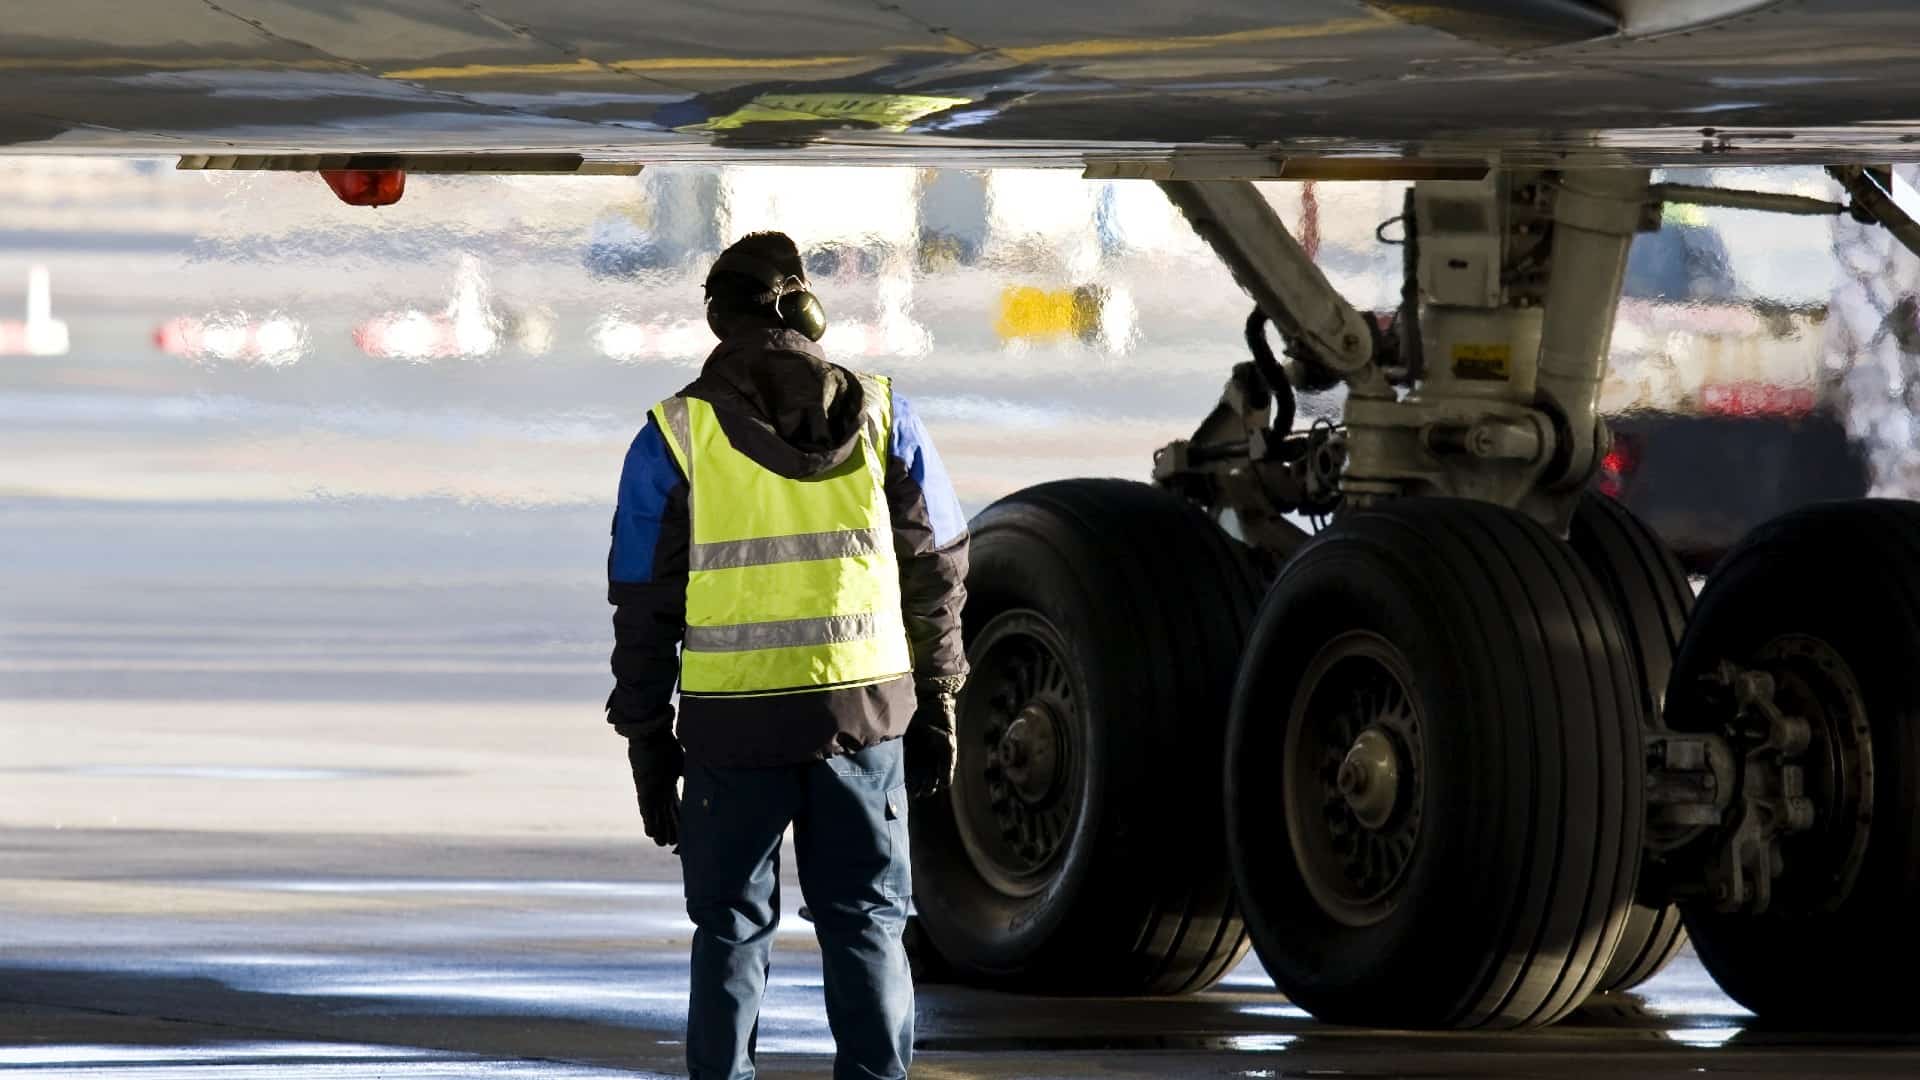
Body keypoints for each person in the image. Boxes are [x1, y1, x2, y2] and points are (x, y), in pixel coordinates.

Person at [604, 230, 969, 1080]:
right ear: (805, 308)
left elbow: (641, 604)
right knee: (868, 923)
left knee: (730, 928)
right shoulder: (887, 414)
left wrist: (647, 742)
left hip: (733, 733)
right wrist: (942, 694)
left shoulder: (673, 435)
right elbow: (939, 566)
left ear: (718, 320)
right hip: (864, 720)